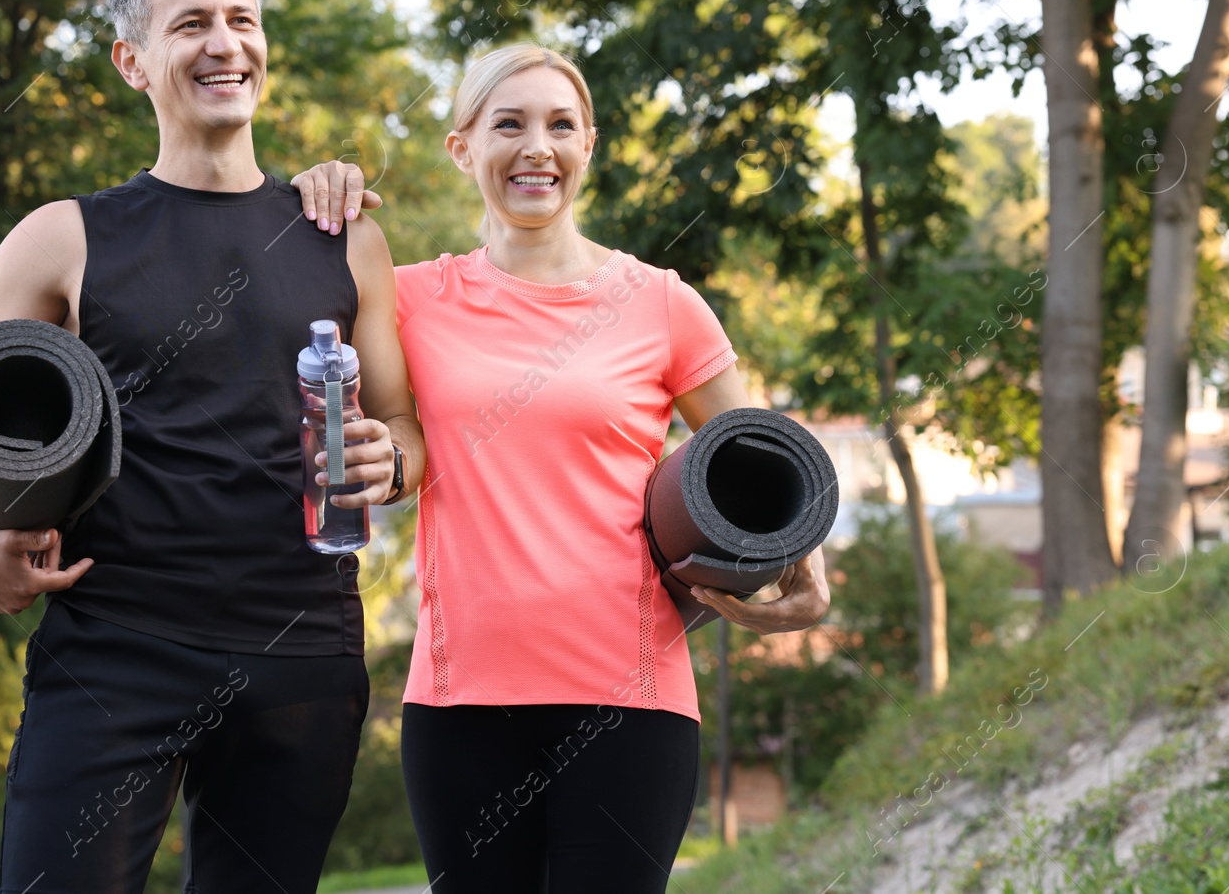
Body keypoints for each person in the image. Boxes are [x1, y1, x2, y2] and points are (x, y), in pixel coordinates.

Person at [0, 0, 425, 894]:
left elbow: (408, 433)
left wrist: (392, 459)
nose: (226, 44)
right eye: (192, 25)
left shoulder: (346, 239)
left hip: (301, 654)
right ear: (132, 62)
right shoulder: (65, 235)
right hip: (113, 651)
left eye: (242, 21)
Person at [291, 44, 830, 893]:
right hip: (461, 699)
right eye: (508, 123)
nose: (536, 145)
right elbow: (279, 284)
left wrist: (807, 573)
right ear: (462, 148)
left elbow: (764, 466)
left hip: (631, 701)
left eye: (560, 125)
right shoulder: (408, 296)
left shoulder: (661, 302)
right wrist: (324, 189)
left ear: (589, 146)